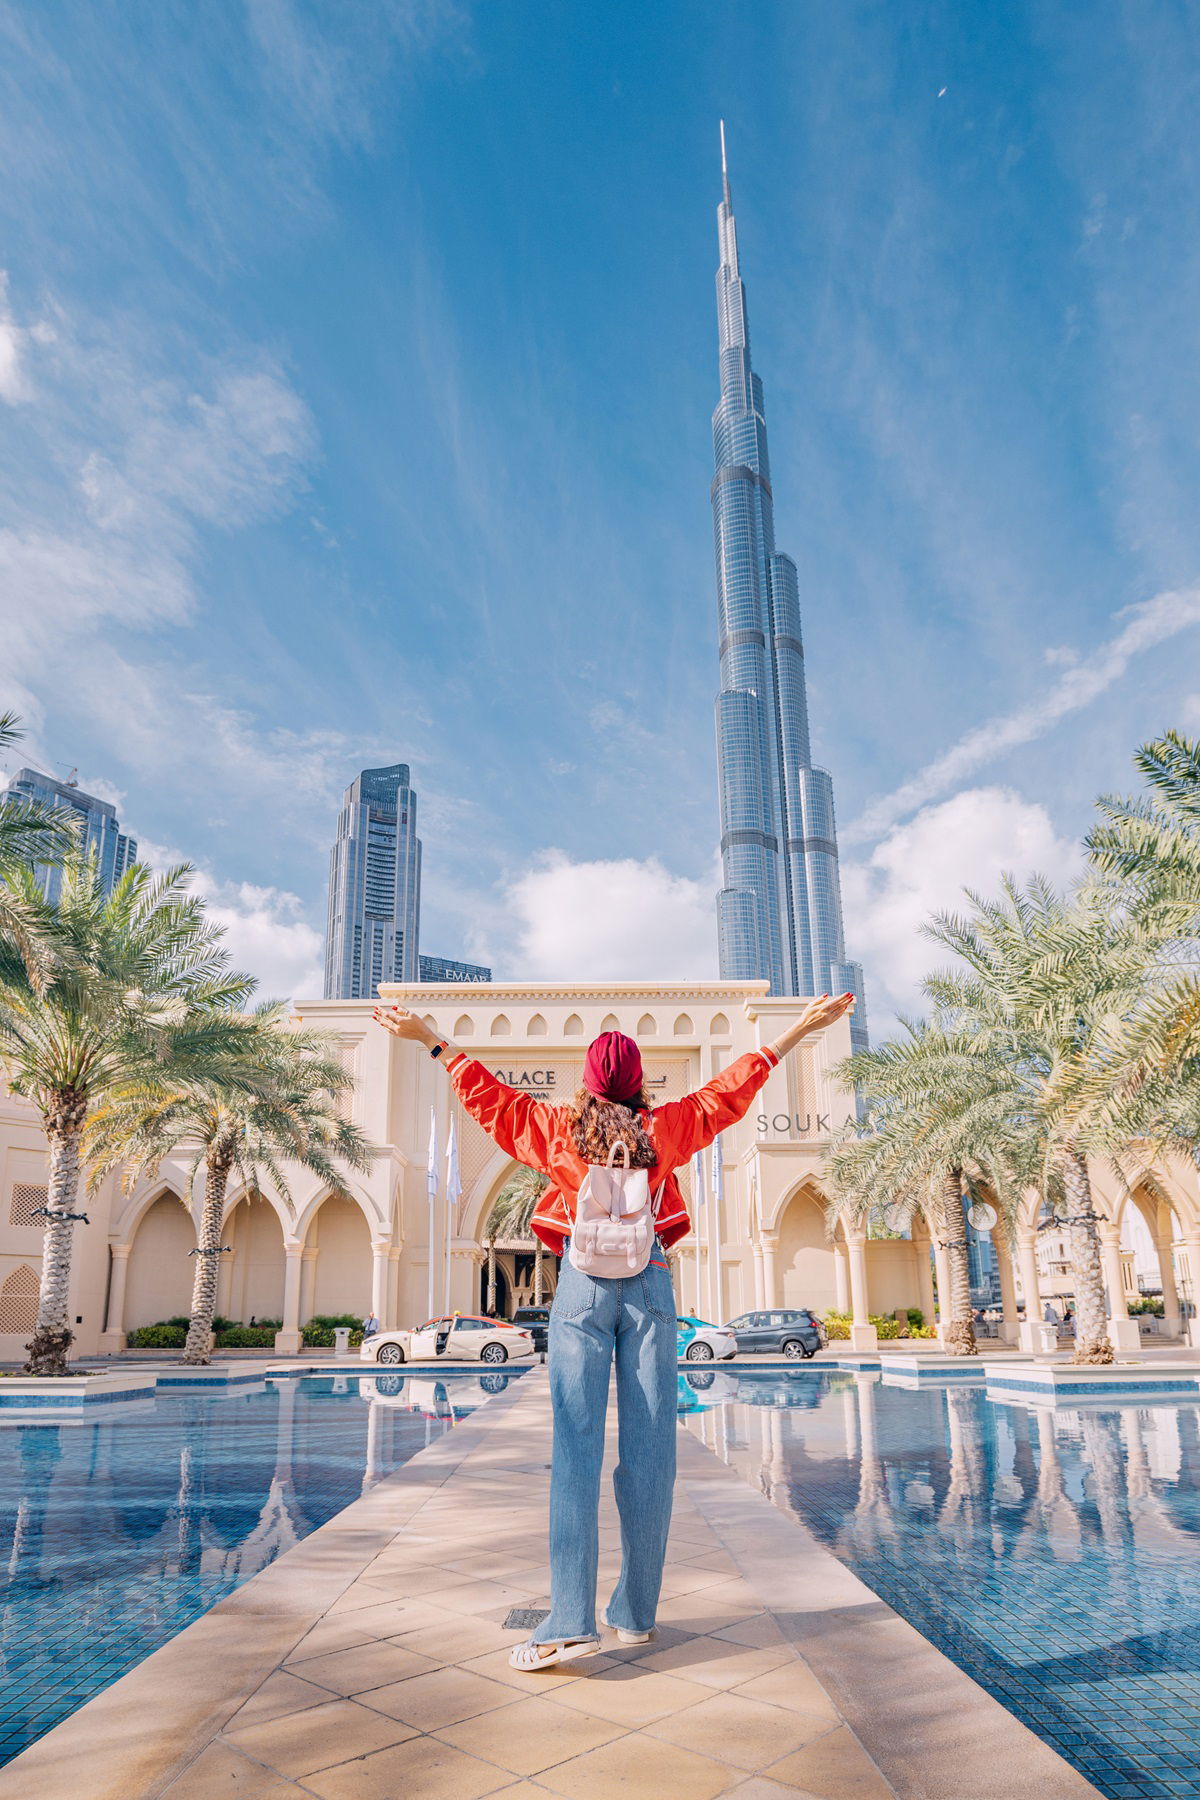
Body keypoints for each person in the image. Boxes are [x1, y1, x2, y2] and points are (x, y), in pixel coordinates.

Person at [375, 991, 854, 1671]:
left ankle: (570, 1620)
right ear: (638, 1085)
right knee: (652, 1448)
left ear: (587, 1084)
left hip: (581, 1288)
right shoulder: (666, 1131)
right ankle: (635, 1612)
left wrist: (432, 1040)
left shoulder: (553, 1130)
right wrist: (798, 1030)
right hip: (651, 1283)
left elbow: (489, 1097)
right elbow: (728, 1093)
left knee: (575, 1446)